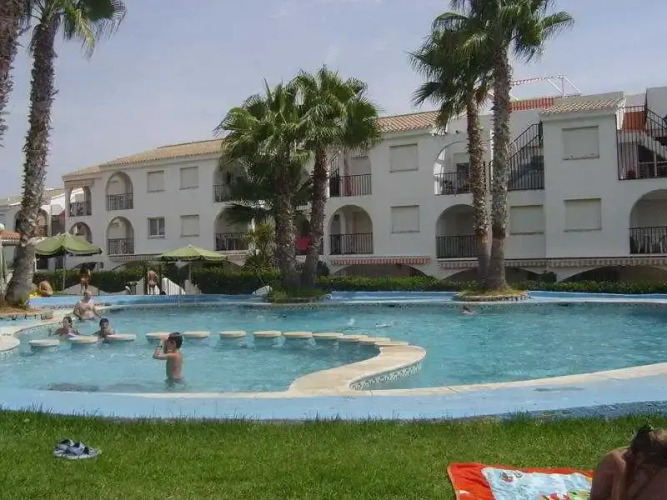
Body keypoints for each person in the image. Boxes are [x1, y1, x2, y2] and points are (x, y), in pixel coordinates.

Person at [590, 425, 667, 500]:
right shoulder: (620, 462)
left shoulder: (638, 454)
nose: (653, 470)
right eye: (652, 467)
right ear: (640, 456)